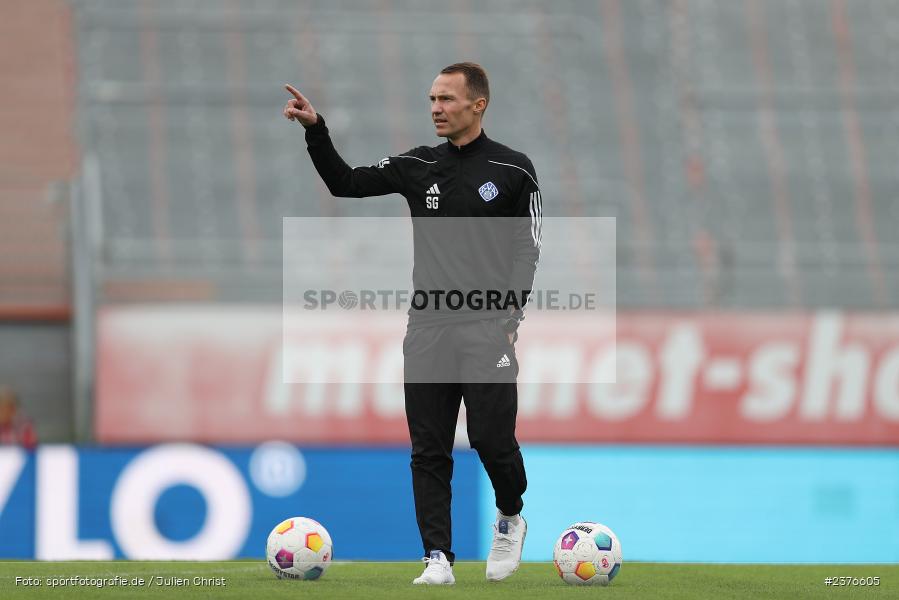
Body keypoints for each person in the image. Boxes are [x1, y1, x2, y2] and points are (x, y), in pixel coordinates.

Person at [284, 62, 541, 585]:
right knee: (428, 447)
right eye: (431, 100)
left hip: (487, 327)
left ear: (478, 105)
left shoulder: (515, 170)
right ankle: (437, 558)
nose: (436, 109)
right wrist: (317, 132)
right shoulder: (419, 165)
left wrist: (510, 318)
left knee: (492, 439)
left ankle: (511, 516)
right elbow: (346, 183)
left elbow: (527, 249)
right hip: (428, 327)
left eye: (446, 99)